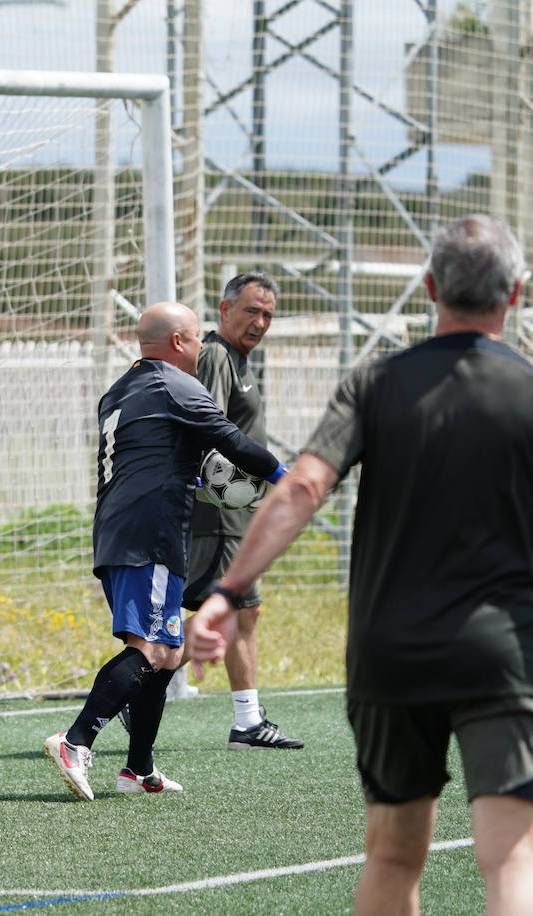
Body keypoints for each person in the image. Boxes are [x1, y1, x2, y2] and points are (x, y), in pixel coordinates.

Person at [186, 214, 533, 915]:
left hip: (390, 652)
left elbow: (303, 489)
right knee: (512, 857)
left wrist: (227, 589)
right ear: (517, 293)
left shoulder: (376, 383)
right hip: (503, 652)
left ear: (431, 287)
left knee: (394, 855)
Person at [45, 301, 286, 800]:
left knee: (170, 651)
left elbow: (147, 453)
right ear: (178, 342)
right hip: (150, 533)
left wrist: (194, 477)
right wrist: (288, 477)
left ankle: (138, 769)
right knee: (151, 648)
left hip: (120, 531)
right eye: (198, 339)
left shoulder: (120, 390)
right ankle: (76, 740)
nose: (202, 348)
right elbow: (230, 439)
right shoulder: (174, 383)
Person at [184, 271, 302, 749]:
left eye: (268, 314)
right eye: (252, 310)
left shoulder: (242, 360)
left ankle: (246, 720)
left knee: (231, 612)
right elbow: (204, 423)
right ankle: (245, 722)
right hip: (218, 514)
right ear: (224, 309)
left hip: (236, 513)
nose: (260, 321)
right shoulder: (215, 354)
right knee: (231, 610)